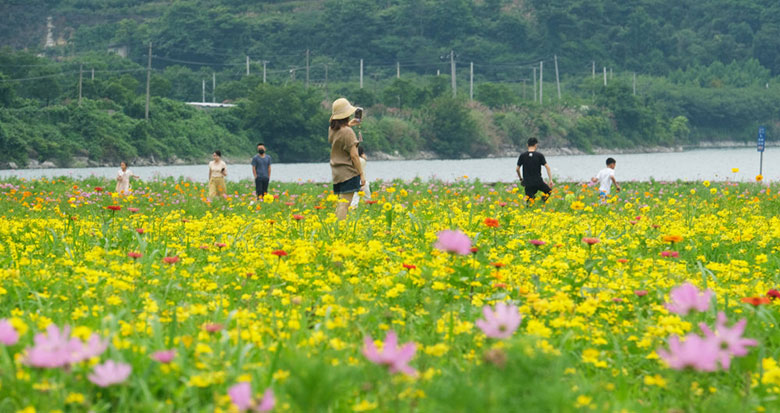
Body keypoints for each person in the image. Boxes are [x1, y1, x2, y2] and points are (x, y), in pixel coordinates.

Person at [328, 97, 365, 220]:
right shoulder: (348, 132)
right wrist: (361, 174)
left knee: (341, 203)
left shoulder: (332, 130)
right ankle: (341, 228)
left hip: (337, 173)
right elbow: (354, 156)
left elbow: (340, 131)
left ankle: (338, 226)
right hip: (348, 172)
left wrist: (350, 124)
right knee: (345, 204)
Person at [515, 137, 554, 203]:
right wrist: (550, 180)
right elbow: (547, 167)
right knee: (548, 191)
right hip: (538, 181)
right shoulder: (539, 155)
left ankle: (532, 207)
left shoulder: (522, 155)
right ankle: (541, 202)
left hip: (528, 182)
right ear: (536, 145)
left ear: (527, 145)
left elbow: (517, 169)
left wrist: (521, 179)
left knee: (529, 201)